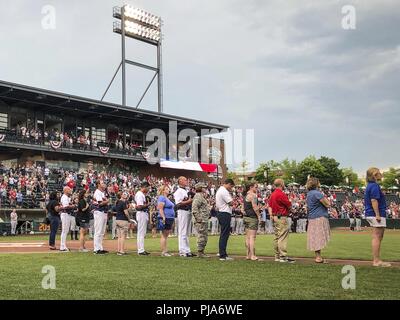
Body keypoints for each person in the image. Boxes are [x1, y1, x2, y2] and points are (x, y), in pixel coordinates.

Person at [364, 167, 391, 267]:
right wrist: (378, 214)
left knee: (378, 237)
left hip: (372, 213)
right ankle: (376, 261)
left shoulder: (370, 185)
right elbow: (374, 200)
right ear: (375, 175)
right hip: (375, 214)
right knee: (377, 237)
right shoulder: (374, 186)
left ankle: (377, 260)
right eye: (379, 172)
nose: (381, 173)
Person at [268, 179, 295, 263]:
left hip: (275, 216)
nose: (284, 185)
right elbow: (289, 205)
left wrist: (271, 215)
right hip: (281, 217)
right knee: (282, 236)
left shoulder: (272, 194)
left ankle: (277, 256)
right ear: (281, 184)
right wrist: (291, 209)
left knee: (277, 236)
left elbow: (270, 206)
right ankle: (283, 256)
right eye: (283, 183)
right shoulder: (281, 193)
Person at [306, 177, 331, 263]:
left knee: (315, 237)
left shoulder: (309, 193)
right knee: (319, 237)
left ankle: (318, 257)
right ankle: (318, 258)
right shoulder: (317, 193)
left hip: (312, 217)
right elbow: (328, 204)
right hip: (319, 217)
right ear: (316, 184)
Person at [174, 176, 195, 257]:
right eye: (185, 180)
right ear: (180, 181)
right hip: (182, 211)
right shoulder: (178, 191)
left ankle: (187, 250)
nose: (187, 181)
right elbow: (178, 204)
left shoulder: (186, 190)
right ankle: (182, 251)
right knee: (182, 231)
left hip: (187, 211)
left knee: (186, 232)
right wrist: (189, 201)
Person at [215, 178, 235, 261]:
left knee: (223, 233)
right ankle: (223, 255)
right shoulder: (224, 191)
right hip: (224, 213)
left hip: (222, 212)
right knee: (224, 234)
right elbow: (231, 202)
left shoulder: (221, 190)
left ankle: (222, 252)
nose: (231, 188)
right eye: (231, 186)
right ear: (228, 184)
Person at [191, 183, 210, 258]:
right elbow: (194, 208)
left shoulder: (200, 196)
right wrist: (198, 218)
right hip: (200, 220)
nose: (205, 188)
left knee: (203, 236)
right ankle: (200, 252)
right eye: (204, 187)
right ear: (200, 188)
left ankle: (201, 251)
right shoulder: (198, 197)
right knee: (202, 236)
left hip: (203, 219)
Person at [243, 182, 261, 261]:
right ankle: (253, 255)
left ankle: (248, 255)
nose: (257, 189)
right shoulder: (253, 195)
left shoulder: (246, 195)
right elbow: (255, 207)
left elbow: (244, 208)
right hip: (252, 218)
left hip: (246, 217)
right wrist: (259, 216)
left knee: (247, 237)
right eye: (256, 187)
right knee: (252, 237)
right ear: (251, 187)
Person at [157, 185, 175, 257]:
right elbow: (160, 208)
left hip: (169, 217)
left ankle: (165, 251)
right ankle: (164, 252)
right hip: (166, 217)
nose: (168, 190)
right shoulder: (162, 197)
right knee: (164, 235)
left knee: (166, 235)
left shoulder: (166, 198)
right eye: (166, 189)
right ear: (163, 190)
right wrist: (163, 217)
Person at [93, 181, 109, 254]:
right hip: (99, 212)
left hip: (103, 212)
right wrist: (107, 201)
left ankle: (100, 248)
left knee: (102, 232)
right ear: (98, 185)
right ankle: (96, 249)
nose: (104, 184)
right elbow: (100, 204)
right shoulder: (97, 192)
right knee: (98, 231)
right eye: (102, 183)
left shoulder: (102, 193)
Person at [135, 181, 151, 255]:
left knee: (142, 233)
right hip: (141, 213)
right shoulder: (139, 194)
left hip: (143, 213)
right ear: (144, 187)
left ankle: (142, 249)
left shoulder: (142, 194)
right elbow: (138, 207)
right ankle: (140, 250)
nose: (148, 189)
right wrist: (148, 205)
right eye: (148, 188)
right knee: (141, 233)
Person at [60, 186, 75, 252]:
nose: (70, 190)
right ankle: (62, 246)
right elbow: (66, 207)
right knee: (64, 231)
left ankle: (63, 246)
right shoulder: (64, 197)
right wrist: (73, 206)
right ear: (65, 190)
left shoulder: (67, 197)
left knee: (65, 231)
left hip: (67, 214)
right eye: (69, 189)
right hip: (65, 214)